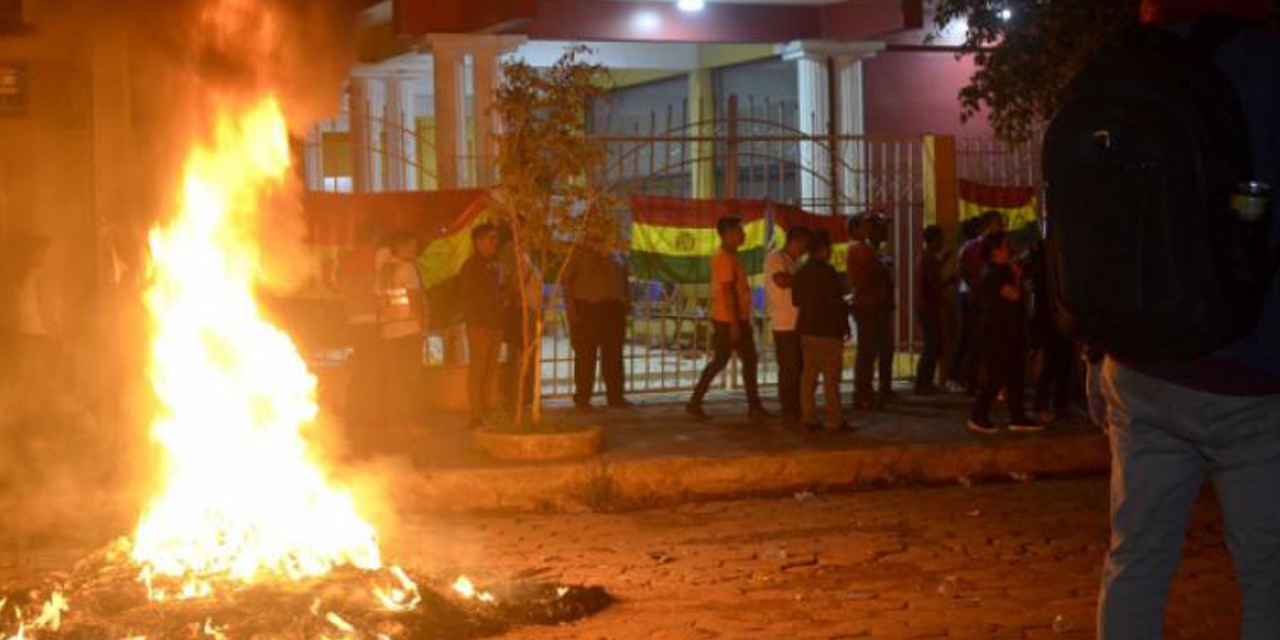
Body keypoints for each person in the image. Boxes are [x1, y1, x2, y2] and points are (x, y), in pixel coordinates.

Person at [1094, 1, 1280, 638]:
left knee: (1136, 560)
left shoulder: (1121, 63)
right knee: (1268, 574)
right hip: (1253, 369)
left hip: (1137, 363)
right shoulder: (1265, 63)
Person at [687, 216, 770, 421]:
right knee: (742, 360)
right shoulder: (724, 258)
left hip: (731, 319)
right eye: (738, 232)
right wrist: (735, 324)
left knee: (728, 360)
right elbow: (728, 292)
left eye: (741, 231)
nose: (742, 235)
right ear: (726, 234)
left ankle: (696, 402)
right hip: (728, 320)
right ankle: (753, 406)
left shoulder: (730, 256)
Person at [967, 232, 1040, 435]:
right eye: (1006, 246)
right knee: (996, 376)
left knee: (1016, 374)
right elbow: (1015, 295)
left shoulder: (1003, 270)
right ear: (996, 250)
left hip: (1011, 331)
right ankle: (977, 415)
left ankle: (1017, 417)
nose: (1011, 249)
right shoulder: (992, 273)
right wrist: (1017, 276)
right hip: (996, 333)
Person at [792, 230, 851, 432]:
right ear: (823, 249)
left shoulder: (799, 272)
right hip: (829, 332)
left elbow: (796, 300)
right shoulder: (830, 273)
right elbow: (837, 303)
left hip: (807, 330)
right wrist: (845, 325)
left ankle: (809, 418)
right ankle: (834, 420)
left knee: (808, 377)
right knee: (831, 379)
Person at [565, 233, 631, 410]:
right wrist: (571, 310)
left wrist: (627, 304)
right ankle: (583, 399)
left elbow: (625, 279)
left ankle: (616, 396)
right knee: (586, 356)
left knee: (614, 356)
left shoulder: (616, 251)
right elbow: (567, 282)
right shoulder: (578, 252)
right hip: (586, 309)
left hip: (613, 309)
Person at [950, 211, 1006, 393]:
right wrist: (979, 289)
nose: (1002, 226)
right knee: (974, 340)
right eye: (998, 223)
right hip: (974, 298)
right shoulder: (976, 246)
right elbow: (966, 271)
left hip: (979, 297)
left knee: (977, 340)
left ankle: (971, 381)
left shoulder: (988, 244)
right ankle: (965, 380)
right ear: (988, 225)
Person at [377, 231, 428, 429]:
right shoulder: (408, 268)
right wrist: (422, 326)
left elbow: (380, 299)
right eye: (409, 246)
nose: (413, 250)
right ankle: (409, 423)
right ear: (398, 247)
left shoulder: (384, 270)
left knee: (395, 380)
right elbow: (415, 298)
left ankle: (393, 422)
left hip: (389, 331)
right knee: (410, 379)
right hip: (409, 330)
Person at [846, 212, 895, 410]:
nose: (869, 229)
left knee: (876, 350)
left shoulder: (866, 247)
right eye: (866, 225)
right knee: (867, 353)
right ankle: (862, 394)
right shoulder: (858, 248)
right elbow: (881, 268)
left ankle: (869, 392)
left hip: (874, 305)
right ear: (855, 228)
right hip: (868, 306)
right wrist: (884, 263)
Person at [337, 225, 383, 429]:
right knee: (372, 368)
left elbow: (340, 284)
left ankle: (354, 411)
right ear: (373, 238)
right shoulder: (375, 256)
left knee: (362, 366)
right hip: (372, 318)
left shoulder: (346, 259)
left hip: (354, 319)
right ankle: (369, 414)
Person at [764, 225, 811, 421]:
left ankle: (795, 407)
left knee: (798, 368)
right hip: (784, 323)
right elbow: (782, 281)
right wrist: (806, 280)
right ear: (795, 242)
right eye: (804, 245)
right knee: (789, 369)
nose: (805, 250)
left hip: (796, 322)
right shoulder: (775, 258)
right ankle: (788, 409)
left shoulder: (794, 263)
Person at [458, 223, 503, 428]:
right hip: (480, 327)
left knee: (490, 371)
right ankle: (476, 414)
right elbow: (466, 299)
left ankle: (485, 412)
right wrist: (476, 324)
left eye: (496, 238)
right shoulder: (471, 266)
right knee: (478, 370)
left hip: (495, 324)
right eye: (490, 238)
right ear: (478, 242)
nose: (495, 242)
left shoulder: (494, 264)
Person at [498, 226, 545, 414]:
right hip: (523, 312)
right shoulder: (521, 261)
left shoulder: (527, 261)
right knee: (522, 356)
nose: (530, 242)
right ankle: (519, 397)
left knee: (524, 356)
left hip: (529, 311)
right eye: (526, 238)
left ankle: (521, 397)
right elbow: (515, 288)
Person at [1026, 236, 1073, 423]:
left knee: (1060, 363)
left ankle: (1058, 404)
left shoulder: (1045, 266)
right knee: (1053, 363)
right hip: (1051, 320)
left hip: (1055, 319)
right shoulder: (1045, 268)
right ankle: (1043, 404)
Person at [914, 224, 954, 395]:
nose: (942, 242)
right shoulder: (927, 258)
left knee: (934, 345)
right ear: (934, 240)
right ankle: (922, 384)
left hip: (927, 305)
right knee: (932, 345)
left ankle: (925, 383)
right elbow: (935, 285)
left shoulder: (927, 257)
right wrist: (950, 281)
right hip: (927, 306)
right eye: (940, 239)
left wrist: (943, 261)